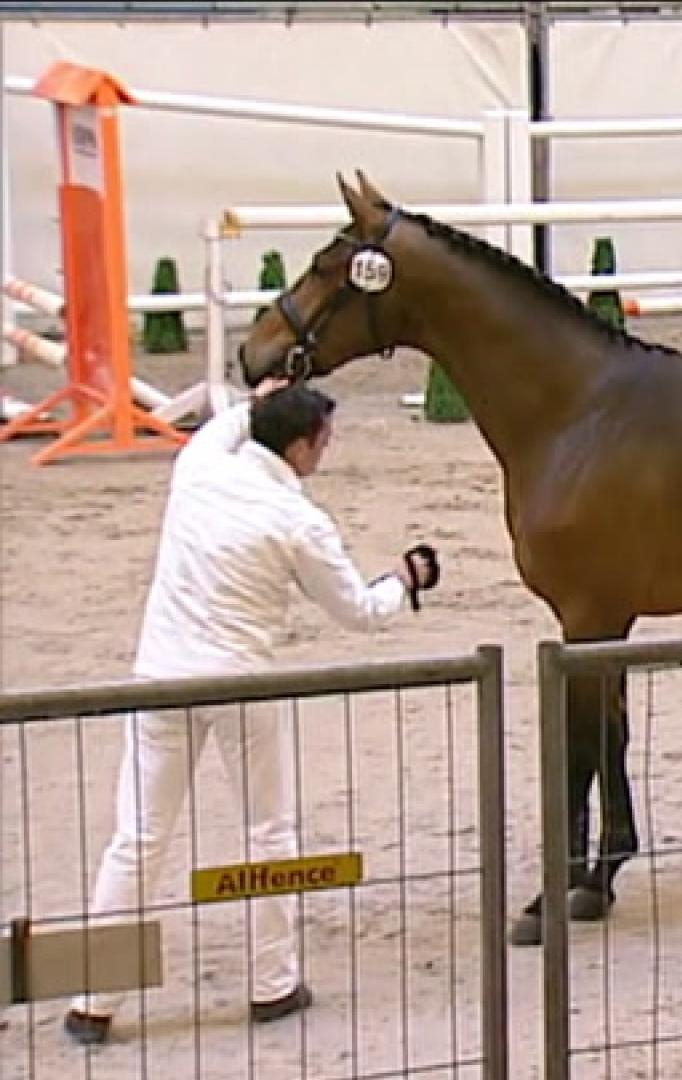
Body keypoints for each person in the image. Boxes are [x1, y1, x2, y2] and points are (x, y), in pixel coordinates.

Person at [64, 378, 441, 1046]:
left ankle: (94, 999)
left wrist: (258, 400)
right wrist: (402, 582)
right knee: (269, 833)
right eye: (322, 440)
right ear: (299, 448)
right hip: (240, 681)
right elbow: (357, 612)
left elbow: (227, 422)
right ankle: (273, 982)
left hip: (161, 674)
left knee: (138, 838)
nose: (326, 449)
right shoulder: (299, 520)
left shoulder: (198, 465)